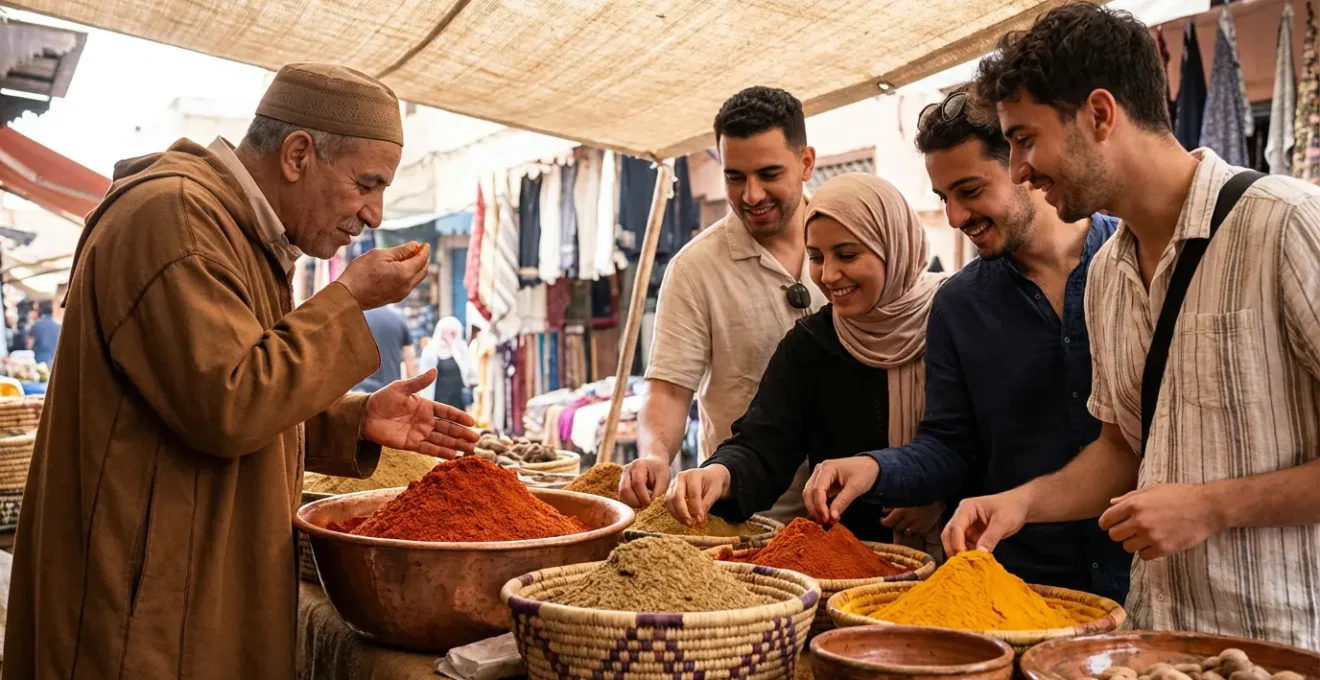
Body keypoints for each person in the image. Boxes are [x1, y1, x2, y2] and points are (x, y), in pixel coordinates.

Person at [2, 63, 481, 679]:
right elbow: (228, 404)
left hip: (177, 592)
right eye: (367, 184)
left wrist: (354, 422)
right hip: (142, 618)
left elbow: (223, 378)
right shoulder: (174, 220)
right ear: (298, 154)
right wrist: (349, 298)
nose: (374, 214)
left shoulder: (233, 229)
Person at [942, 3, 1320, 648]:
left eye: (1025, 139)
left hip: (1282, 643)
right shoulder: (1111, 274)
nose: (1019, 170)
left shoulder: (1286, 225)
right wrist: (1020, 504)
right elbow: (1123, 449)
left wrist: (1211, 506)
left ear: (1098, 114)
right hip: (1159, 639)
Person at [800, 86, 1128, 602]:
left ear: (1023, 164)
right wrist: (875, 467)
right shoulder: (958, 304)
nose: (954, 217)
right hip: (1022, 590)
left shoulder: (1135, 261)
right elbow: (950, 445)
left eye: (969, 191)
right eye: (943, 198)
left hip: (1150, 576)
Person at [664, 173, 945, 544]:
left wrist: (940, 494)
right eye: (816, 257)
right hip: (852, 572)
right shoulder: (812, 345)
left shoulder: (952, 320)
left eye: (847, 254)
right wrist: (721, 473)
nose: (828, 276)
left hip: (967, 559)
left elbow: (978, 441)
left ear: (893, 245)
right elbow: (764, 445)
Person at [618, 87, 827, 521]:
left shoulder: (851, 242)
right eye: (735, 177)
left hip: (855, 514)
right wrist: (656, 455)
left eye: (769, 174)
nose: (751, 195)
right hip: (745, 518)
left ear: (806, 162)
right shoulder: (695, 269)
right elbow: (670, 390)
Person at [354, 303, 416, 392]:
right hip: (390, 388)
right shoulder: (399, 320)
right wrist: (413, 391)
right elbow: (410, 359)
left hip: (362, 389)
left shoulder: (357, 320)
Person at [419, 315, 474, 408]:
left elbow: (471, 374)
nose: (449, 337)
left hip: (458, 402)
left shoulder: (461, 350)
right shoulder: (430, 350)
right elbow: (423, 376)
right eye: (447, 333)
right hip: (437, 401)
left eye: (453, 333)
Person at [26, 302, 60, 367]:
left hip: (39, 362)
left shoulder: (36, 325)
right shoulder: (59, 326)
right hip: (54, 361)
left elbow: (29, 345)